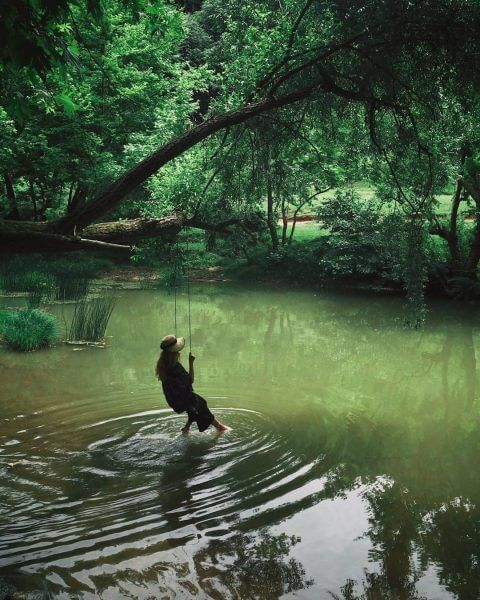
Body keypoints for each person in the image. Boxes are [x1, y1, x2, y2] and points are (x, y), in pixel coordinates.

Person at [155, 334, 229, 433]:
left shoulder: (163, 365)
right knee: (201, 404)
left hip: (173, 399)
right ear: (175, 352)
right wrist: (191, 362)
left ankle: (186, 428)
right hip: (181, 400)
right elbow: (190, 380)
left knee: (193, 405)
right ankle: (220, 427)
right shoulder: (175, 366)